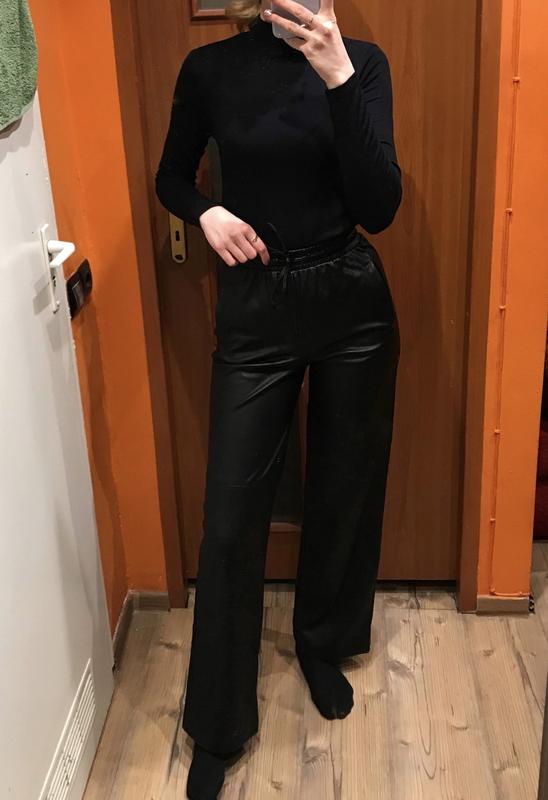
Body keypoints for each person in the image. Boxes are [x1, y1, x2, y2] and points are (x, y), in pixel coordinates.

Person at [155, 0, 402, 796]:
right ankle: (218, 723)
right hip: (257, 305)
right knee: (230, 517)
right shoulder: (210, 69)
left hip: (351, 301)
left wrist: (339, 78)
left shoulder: (362, 63)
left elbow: (381, 207)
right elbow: (170, 177)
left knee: (344, 486)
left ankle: (323, 644)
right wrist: (206, 210)